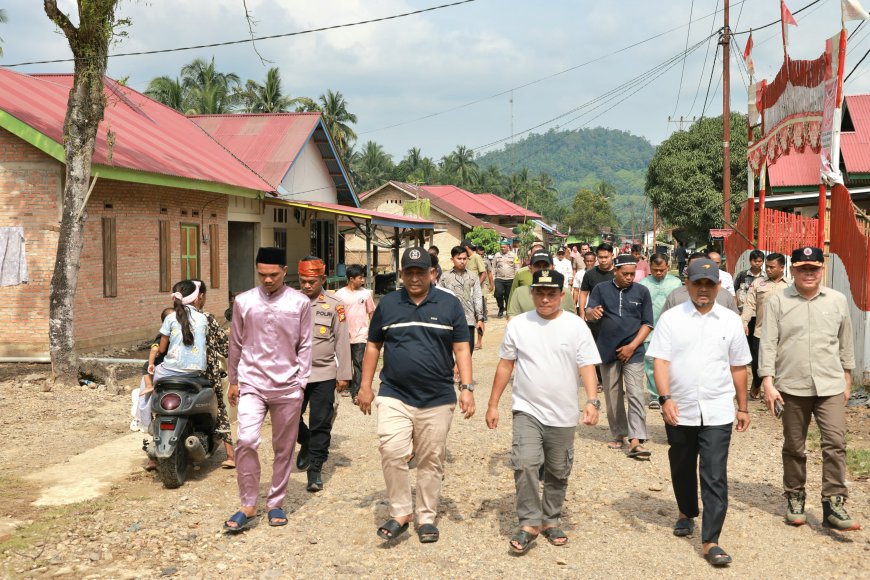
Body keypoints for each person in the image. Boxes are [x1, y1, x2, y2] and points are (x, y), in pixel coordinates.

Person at [358, 247, 475, 544]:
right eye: (408, 272)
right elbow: (373, 345)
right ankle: (400, 512)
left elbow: (462, 348)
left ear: (432, 273)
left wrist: (467, 389)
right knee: (392, 450)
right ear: (401, 274)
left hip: (437, 397)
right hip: (394, 393)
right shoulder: (389, 305)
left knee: (430, 459)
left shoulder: (450, 304)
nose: (414, 278)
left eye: (420, 272)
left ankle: (425, 516)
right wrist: (365, 386)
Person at [486, 269, 601, 554]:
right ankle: (529, 523)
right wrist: (492, 404)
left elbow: (587, 365)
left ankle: (551, 520)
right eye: (540, 292)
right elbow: (505, 365)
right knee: (524, 462)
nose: (545, 299)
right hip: (527, 408)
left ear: (562, 296)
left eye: (551, 294)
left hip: (563, 413)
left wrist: (592, 400)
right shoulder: (519, 325)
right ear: (532, 293)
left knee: (558, 470)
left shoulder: (576, 326)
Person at [647, 258, 752, 567]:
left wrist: (743, 406)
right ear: (687, 285)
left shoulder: (730, 320)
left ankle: (711, 540)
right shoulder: (671, 319)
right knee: (681, 463)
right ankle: (686, 511)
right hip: (680, 407)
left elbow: (738, 366)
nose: (703, 289)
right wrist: (664, 398)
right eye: (697, 284)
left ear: (719, 287)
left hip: (718, 409)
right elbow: (660, 362)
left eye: (709, 284)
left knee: (715, 473)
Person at [759, 246, 859, 531]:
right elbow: (768, 342)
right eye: (802, 268)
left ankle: (834, 502)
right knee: (794, 445)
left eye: (813, 268)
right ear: (793, 271)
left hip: (830, 384)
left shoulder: (837, 300)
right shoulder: (779, 301)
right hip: (791, 385)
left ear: (821, 269)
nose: (808, 274)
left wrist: (847, 376)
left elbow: (845, 340)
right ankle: (795, 496)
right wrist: (767, 380)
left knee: (836, 444)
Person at [224, 247, 312, 533]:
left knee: (283, 448)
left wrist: (300, 382)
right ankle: (248, 504)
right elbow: (235, 342)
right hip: (252, 383)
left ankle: (275, 502)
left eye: (273, 274)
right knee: (246, 440)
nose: (268, 280)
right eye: (262, 274)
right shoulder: (244, 301)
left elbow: (306, 345)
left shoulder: (299, 303)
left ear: (285, 271)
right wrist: (233, 380)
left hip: (288, 386)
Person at [585, 253, 654, 458]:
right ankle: (618, 434)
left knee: (634, 393)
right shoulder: (601, 289)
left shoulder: (642, 292)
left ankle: (636, 439)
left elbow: (648, 323)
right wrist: (592, 313)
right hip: (607, 349)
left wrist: (632, 346)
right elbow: (589, 311)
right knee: (613, 395)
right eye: (625, 274)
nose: (630, 278)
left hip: (634, 351)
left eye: (633, 274)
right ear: (615, 271)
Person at [295, 256, 352, 492]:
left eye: (312, 281)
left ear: (323, 279)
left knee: (321, 423)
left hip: (324, 373)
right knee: (286, 420)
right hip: (293, 375)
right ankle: (306, 441)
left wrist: (344, 374)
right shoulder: (289, 302)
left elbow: (342, 340)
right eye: (303, 281)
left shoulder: (335, 304)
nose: (307, 285)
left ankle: (315, 469)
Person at [191, 278, 235, 469]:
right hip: (205, 373)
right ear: (200, 297)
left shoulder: (171, 317)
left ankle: (153, 455)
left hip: (173, 373)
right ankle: (230, 455)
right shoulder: (205, 318)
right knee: (221, 407)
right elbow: (225, 348)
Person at [740, 252, 789, 400]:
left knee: (781, 363)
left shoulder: (790, 286)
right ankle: (756, 384)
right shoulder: (758, 283)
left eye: (771, 267)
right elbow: (749, 305)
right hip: (761, 332)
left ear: (781, 267)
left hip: (784, 333)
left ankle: (777, 392)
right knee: (757, 363)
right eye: (766, 266)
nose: (767, 269)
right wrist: (744, 322)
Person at [638, 253, 682, 409]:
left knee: (670, 361)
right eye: (655, 270)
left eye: (662, 270)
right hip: (649, 328)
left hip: (671, 329)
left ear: (667, 267)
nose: (658, 273)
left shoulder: (676, 283)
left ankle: (670, 391)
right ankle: (655, 395)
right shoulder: (643, 284)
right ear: (650, 267)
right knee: (650, 361)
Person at [149, 280, 209, 384]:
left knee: (148, 379)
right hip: (196, 371)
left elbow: (162, 349)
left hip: (170, 370)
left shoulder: (170, 318)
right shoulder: (203, 318)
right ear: (196, 299)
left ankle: (144, 400)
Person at [334, 264, 375, 405]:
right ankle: (346, 385)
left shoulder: (365, 294)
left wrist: (373, 331)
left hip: (360, 335)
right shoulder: (339, 295)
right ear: (351, 279)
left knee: (358, 364)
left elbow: (371, 312)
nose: (362, 280)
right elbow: (335, 314)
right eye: (360, 277)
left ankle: (356, 393)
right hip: (344, 336)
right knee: (344, 363)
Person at [439, 245, 485, 353]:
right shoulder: (445, 277)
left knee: (467, 352)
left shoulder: (473, 276)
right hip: (449, 321)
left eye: (464, 259)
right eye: (459, 259)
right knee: (448, 353)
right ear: (452, 259)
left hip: (468, 320)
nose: (462, 261)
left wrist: (480, 319)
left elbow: (477, 297)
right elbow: (440, 299)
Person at [662, 253, 739, 315]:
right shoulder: (675, 296)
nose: (703, 289)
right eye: (694, 266)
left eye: (709, 284)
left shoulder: (726, 296)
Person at [506, 250, 576, 319]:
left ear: (553, 268)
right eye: (537, 266)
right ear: (530, 269)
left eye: (545, 266)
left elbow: (572, 320)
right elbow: (512, 320)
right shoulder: (520, 293)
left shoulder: (564, 292)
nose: (541, 270)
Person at [578, 243, 616, 337]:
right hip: (594, 318)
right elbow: (583, 293)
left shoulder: (618, 273)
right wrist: (582, 315)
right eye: (600, 257)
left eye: (606, 257)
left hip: (614, 318)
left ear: (612, 256)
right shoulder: (590, 274)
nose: (603, 260)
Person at [493, 240, 518, 318]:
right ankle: (501, 307)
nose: (502, 249)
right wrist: (493, 277)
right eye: (501, 247)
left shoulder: (514, 255)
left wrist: (516, 278)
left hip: (510, 278)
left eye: (504, 247)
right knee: (498, 294)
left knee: (508, 295)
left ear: (508, 247)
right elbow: (493, 266)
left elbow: (516, 267)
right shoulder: (497, 255)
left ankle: (508, 310)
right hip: (499, 278)